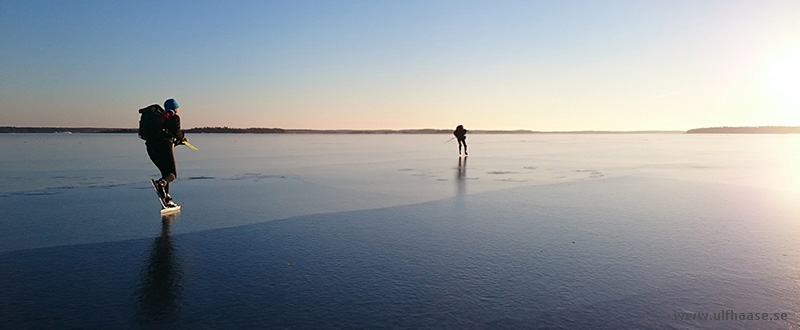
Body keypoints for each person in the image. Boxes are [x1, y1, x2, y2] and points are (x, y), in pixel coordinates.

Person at [146, 98, 185, 208]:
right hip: (163, 146)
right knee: (172, 174)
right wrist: (182, 138)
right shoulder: (174, 118)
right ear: (175, 109)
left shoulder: (158, 119)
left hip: (150, 147)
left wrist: (176, 142)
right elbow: (176, 134)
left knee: (165, 173)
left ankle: (166, 198)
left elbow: (168, 135)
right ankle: (161, 184)